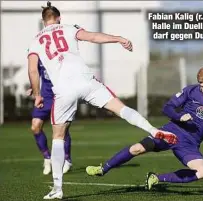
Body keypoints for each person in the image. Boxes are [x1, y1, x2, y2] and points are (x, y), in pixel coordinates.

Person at [27, 2, 178, 199]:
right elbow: (93, 37)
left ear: (43, 21)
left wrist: (38, 94)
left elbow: (32, 70)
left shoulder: (35, 41)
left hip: (64, 89)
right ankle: (153, 130)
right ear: (59, 18)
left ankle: (57, 189)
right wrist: (118, 39)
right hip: (86, 80)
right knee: (121, 108)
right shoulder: (68, 28)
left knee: (58, 137)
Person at [86, 66, 203, 190]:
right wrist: (180, 116)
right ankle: (103, 168)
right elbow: (167, 107)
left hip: (190, 144)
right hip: (171, 132)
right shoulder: (191, 91)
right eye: (201, 86)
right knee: (137, 149)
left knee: (202, 171)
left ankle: (156, 178)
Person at [27, 60, 72, 175]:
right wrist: (32, 86)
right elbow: (34, 72)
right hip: (45, 97)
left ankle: (67, 159)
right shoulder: (38, 55)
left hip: (61, 96)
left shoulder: (62, 54)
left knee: (62, 129)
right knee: (35, 126)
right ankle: (47, 158)